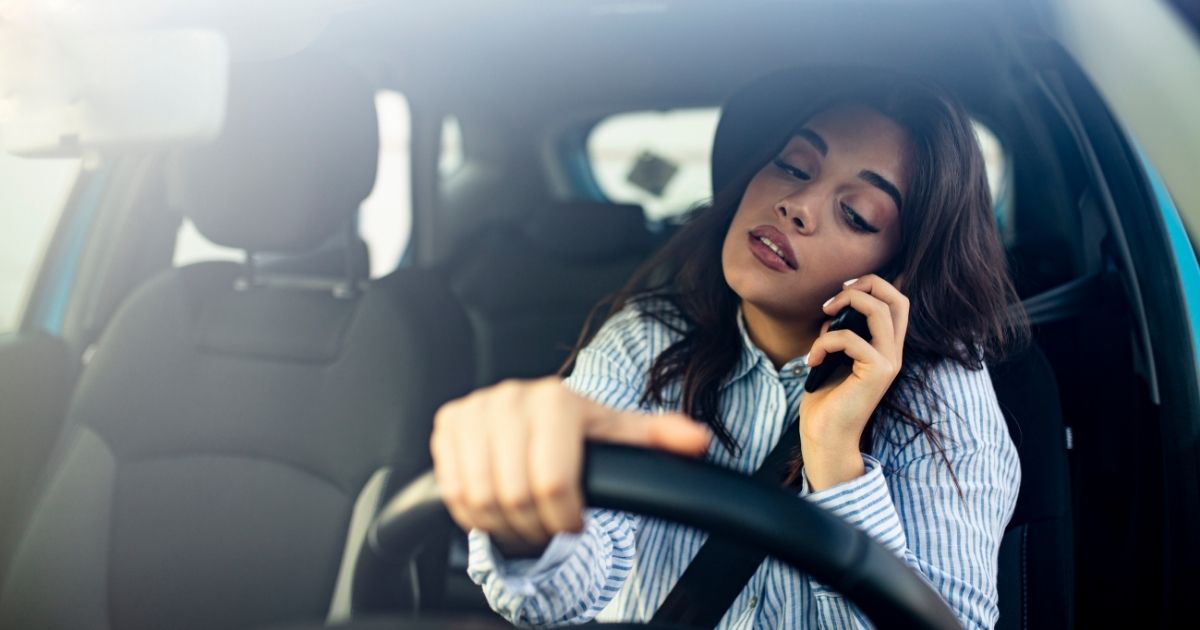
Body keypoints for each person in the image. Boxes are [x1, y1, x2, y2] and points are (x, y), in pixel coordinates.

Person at [430, 68, 1028, 629]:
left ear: (898, 271)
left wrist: (834, 457)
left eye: (855, 213)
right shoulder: (649, 339)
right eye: (795, 167)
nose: (798, 205)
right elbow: (558, 594)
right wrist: (528, 520)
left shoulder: (942, 402)